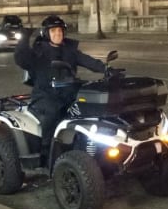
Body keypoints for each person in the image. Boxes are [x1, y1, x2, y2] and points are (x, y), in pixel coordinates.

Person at [14, 15, 106, 164]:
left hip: (68, 92)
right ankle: (46, 154)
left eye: (60, 30)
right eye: (53, 31)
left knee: (92, 105)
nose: (58, 34)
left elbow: (88, 61)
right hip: (45, 95)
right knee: (54, 112)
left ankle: (88, 147)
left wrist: (106, 69)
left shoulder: (70, 50)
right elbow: (21, 58)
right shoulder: (38, 52)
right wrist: (24, 38)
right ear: (46, 33)